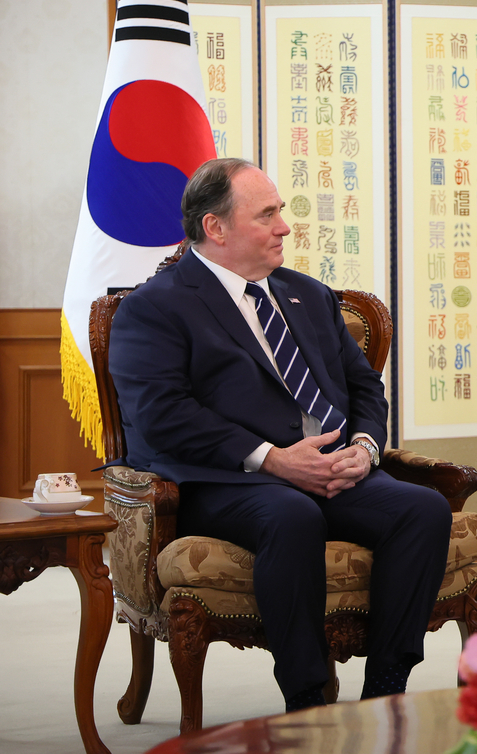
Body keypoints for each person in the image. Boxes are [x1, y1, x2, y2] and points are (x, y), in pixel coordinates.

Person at [109, 157, 452, 711]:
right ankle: (308, 700)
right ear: (216, 227)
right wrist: (271, 458)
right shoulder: (154, 307)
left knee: (423, 509)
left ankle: (386, 691)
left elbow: (364, 387)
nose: (284, 227)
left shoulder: (308, 295)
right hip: (223, 480)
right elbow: (162, 414)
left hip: (328, 467)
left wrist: (364, 448)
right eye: (266, 215)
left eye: (280, 212)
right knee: (292, 515)